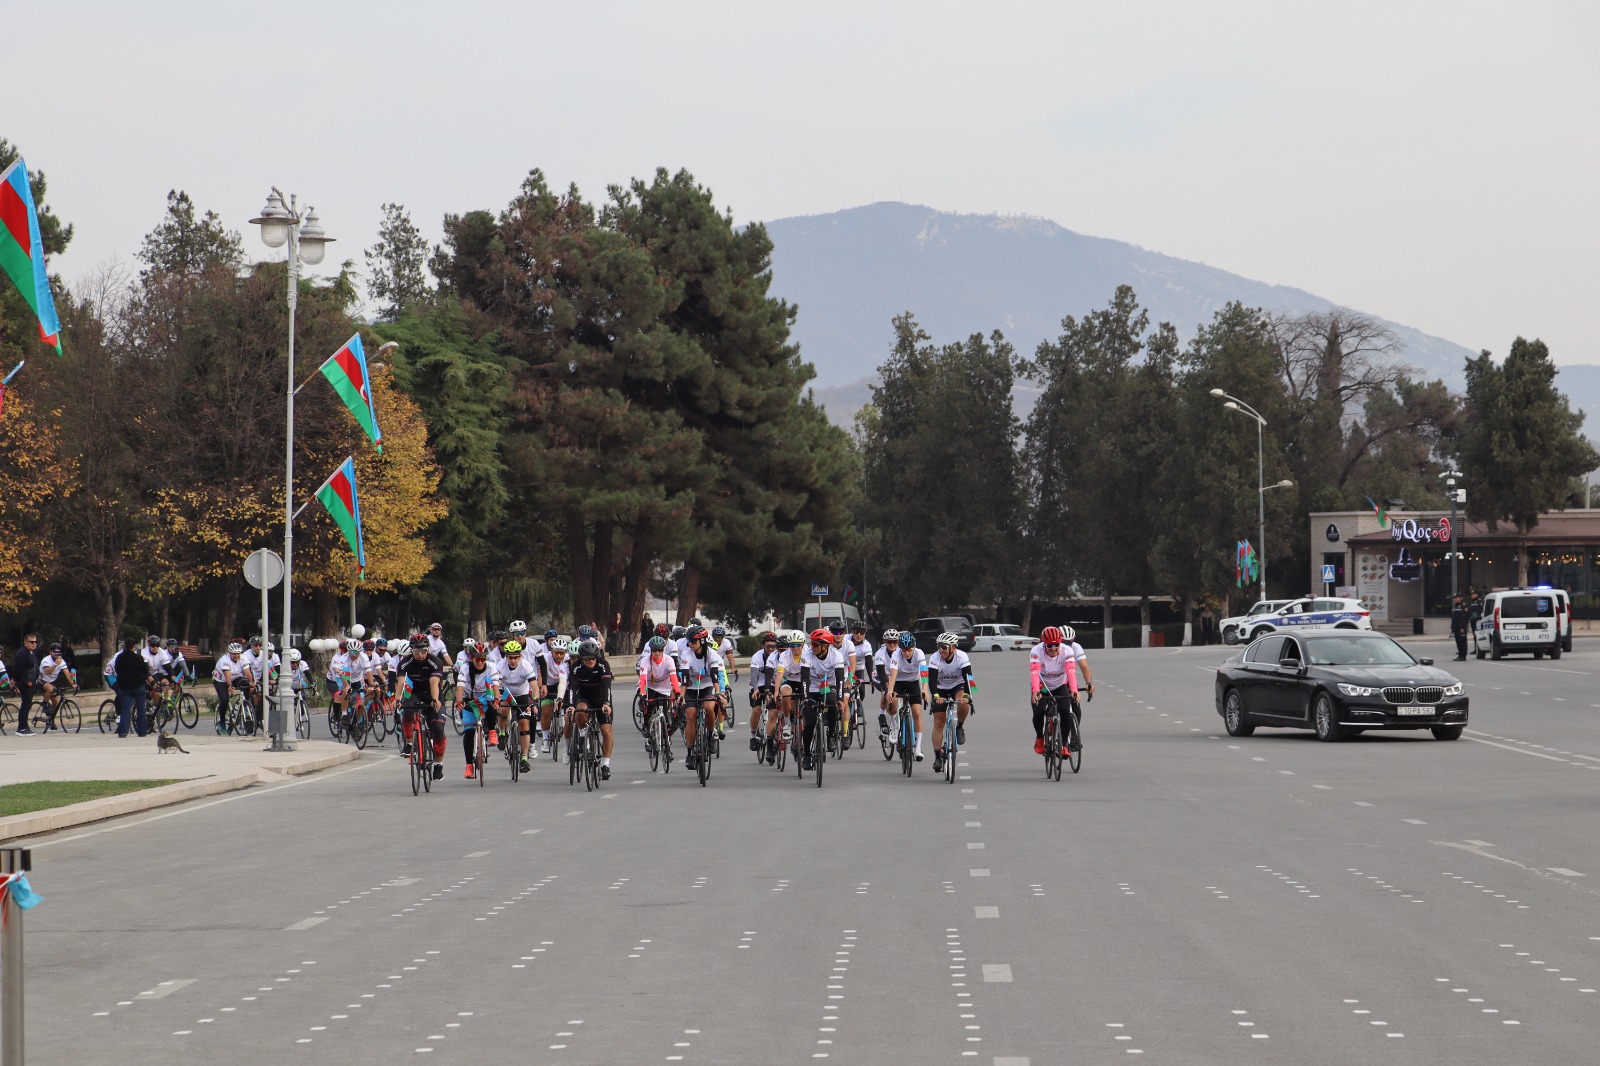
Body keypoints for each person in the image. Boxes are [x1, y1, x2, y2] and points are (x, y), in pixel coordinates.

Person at [563, 639, 616, 779]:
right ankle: (582, 735)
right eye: (587, 659)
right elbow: (572, 688)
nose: (591, 661)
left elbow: (607, 686)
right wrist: (571, 706)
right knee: (580, 711)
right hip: (584, 697)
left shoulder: (603, 665)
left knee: (606, 731)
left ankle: (605, 764)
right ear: (581, 658)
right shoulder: (576, 667)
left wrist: (606, 703)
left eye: (593, 658)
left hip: (600, 698)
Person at [677, 626, 727, 772]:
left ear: (702, 641)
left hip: (707, 686)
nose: (690, 644)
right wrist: (681, 695)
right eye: (688, 641)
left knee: (709, 707)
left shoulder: (712, 655)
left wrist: (719, 693)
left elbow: (715, 676)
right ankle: (690, 752)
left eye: (693, 641)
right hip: (691, 688)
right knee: (691, 715)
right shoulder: (686, 655)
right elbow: (685, 679)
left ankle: (711, 733)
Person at [797, 628, 847, 771]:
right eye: (811, 644)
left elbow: (840, 680)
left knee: (833, 702)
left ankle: (831, 734)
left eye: (815, 645)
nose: (811, 647)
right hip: (812, 689)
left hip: (829, 686)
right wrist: (805, 697)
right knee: (810, 723)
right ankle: (806, 754)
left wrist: (840, 699)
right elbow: (804, 678)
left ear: (825, 646)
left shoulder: (836, 657)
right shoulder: (807, 656)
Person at [927, 632, 975, 773]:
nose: (940, 650)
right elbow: (931, 680)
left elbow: (968, 678)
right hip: (940, 687)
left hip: (958, 685)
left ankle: (959, 726)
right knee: (939, 722)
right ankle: (937, 756)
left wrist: (967, 695)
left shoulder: (962, 656)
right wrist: (935, 696)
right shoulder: (935, 658)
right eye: (938, 647)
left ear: (953, 648)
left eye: (943, 647)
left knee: (963, 702)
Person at [455, 639, 503, 779]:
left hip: (485, 697)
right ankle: (469, 766)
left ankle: (493, 731)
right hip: (469, 699)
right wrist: (459, 701)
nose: (480, 662)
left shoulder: (491, 667)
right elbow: (460, 687)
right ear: (471, 658)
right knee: (469, 732)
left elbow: (495, 687)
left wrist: (497, 699)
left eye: (482, 659)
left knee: (492, 703)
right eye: (477, 659)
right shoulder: (465, 668)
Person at [1029, 626, 1079, 756]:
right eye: (1049, 646)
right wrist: (1035, 691)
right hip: (1042, 685)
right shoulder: (1036, 651)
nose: (1053, 649)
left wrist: (1074, 690)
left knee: (1065, 711)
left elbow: (1071, 672)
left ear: (1060, 643)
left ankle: (1063, 746)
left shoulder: (1067, 651)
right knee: (1039, 711)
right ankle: (1040, 738)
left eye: (1056, 645)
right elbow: (1035, 672)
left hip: (1060, 684)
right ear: (1044, 644)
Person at [883, 631, 928, 761]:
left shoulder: (919, 654)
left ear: (913, 648)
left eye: (909, 650)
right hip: (898, 682)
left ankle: (918, 748)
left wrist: (925, 690)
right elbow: (893, 674)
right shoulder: (896, 655)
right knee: (893, 703)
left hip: (913, 682)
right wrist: (890, 691)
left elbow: (924, 674)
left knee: (917, 712)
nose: (906, 652)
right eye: (903, 650)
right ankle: (894, 727)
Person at [637, 635, 683, 759]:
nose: (657, 653)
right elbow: (642, 679)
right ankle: (647, 726)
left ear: (663, 650)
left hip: (665, 687)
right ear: (651, 650)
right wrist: (642, 694)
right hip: (650, 687)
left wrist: (677, 692)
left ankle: (667, 747)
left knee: (666, 715)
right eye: (654, 650)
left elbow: (673, 677)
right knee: (650, 704)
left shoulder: (668, 660)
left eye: (659, 650)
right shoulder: (645, 660)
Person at [499, 639, 540, 772]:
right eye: (510, 657)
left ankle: (524, 758)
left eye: (516, 657)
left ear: (520, 656)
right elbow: (494, 685)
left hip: (522, 695)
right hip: (506, 693)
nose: (513, 660)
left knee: (524, 724)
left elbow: (534, 686)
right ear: (506, 657)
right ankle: (502, 732)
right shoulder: (500, 666)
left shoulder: (526, 665)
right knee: (503, 708)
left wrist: (534, 701)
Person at [109, 637, 152, 737]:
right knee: (141, 708)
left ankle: (123, 731)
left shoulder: (120, 658)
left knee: (125, 709)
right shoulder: (139, 658)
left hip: (125, 687)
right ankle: (142, 731)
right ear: (134, 646)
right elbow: (145, 671)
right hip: (139, 686)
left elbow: (117, 670)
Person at [746, 632, 780, 754]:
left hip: (772, 685)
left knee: (774, 711)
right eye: (768, 646)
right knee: (756, 710)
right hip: (759, 684)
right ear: (763, 646)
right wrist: (755, 689)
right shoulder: (757, 656)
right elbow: (754, 675)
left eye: (773, 646)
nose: (770, 649)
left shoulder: (779, 656)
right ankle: (753, 735)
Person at [35, 642, 77, 732]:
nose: (57, 654)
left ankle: (51, 720)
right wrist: (55, 665)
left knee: (55, 702)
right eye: (55, 652)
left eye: (59, 652)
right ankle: (45, 704)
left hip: (50, 681)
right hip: (41, 680)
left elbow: (67, 673)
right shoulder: (46, 660)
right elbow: (47, 672)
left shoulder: (61, 661)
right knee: (50, 688)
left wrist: (72, 683)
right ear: (50, 652)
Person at [8, 634, 40, 735]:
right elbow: (16, 669)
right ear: (25, 642)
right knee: (25, 705)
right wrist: (17, 681)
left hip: (30, 682)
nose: (34, 644)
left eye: (35, 642)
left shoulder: (30, 653)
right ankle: (22, 728)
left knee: (27, 705)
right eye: (31, 642)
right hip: (25, 683)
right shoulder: (22, 653)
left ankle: (24, 727)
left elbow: (34, 666)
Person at [1450, 594, 1469, 661]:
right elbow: (1454, 618)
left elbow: (1465, 618)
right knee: (1458, 642)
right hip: (1456, 627)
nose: (1455, 599)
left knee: (1462, 642)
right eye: (1454, 598)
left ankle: (1463, 656)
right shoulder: (1456, 606)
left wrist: (1463, 627)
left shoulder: (1464, 606)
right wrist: (1452, 626)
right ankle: (1460, 655)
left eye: (1456, 598)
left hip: (1461, 628)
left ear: (1460, 598)